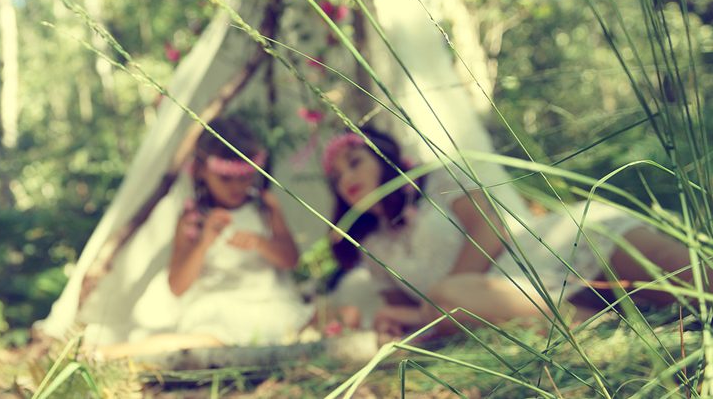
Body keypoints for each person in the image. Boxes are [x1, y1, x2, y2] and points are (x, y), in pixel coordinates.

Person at [323, 126, 699, 337]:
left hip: (550, 252)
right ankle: (604, 326)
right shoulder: (369, 247)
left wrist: (433, 303)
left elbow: (491, 230)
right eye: (337, 177)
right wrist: (396, 321)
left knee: (694, 280)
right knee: (450, 297)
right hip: (499, 306)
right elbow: (407, 315)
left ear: (384, 155)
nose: (348, 179)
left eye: (355, 162)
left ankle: (623, 314)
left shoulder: (434, 179)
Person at [167, 116, 313, 345]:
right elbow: (177, 286)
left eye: (245, 177)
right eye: (225, 178)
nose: (237, 187)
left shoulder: (265, 207)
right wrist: (203, 243)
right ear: (201, 171)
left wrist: (261, 243)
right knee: (203, 341)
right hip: (218, 311)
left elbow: (291, 260)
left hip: (271, 305)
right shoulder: (192, 218)